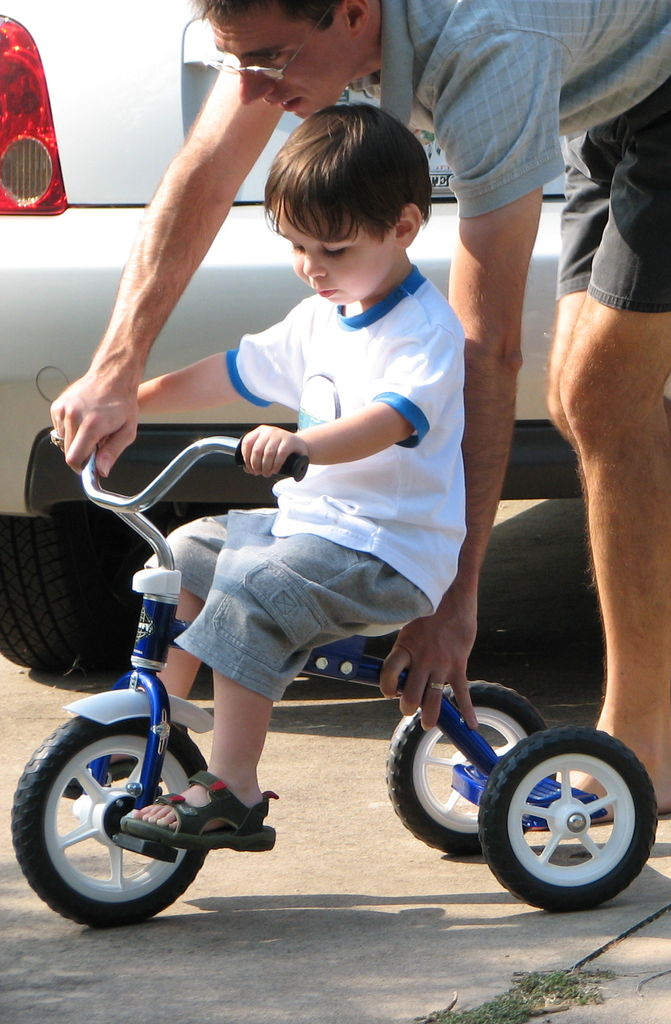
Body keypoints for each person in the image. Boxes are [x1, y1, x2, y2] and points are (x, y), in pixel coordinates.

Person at [51, 0, 671, 817]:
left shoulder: (486, 44)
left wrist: (451, 595)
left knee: (600, 392)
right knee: (588, 401)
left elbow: (483, 349)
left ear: (356, 13)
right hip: (625, 70)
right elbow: (206, 170)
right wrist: (115, 369)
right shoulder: (281, 38)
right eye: (234, 62)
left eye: (272, 61)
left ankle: (641, 747)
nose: (251, 88)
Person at [121, 103, 465, 850]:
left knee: (251, 589)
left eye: (333, 249)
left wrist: (300, 442)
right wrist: (129, 401)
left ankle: (234, 786)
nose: (313, 267)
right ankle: (158, 719)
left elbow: (389, 420)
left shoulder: (425, 332)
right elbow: (234, 372)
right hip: (313, 529)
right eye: (297, 246)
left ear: (404, 228)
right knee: (184, 551)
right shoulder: (319, 313)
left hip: (388, 551)